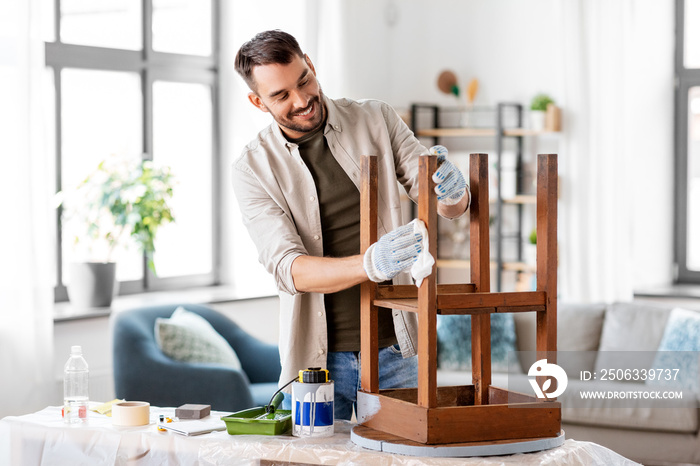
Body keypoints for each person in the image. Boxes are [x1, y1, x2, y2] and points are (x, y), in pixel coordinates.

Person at [232, 30, 470, 419]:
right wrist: (370, 264)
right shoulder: (252, 169)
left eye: (304, 79)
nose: (302, 100)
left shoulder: (376, 118)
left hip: (396, 348)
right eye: (281, 95)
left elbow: (445, 203)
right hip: (314, 366)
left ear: (310, 62)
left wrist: (454, 192)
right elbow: (288, 268)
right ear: (258, 101)